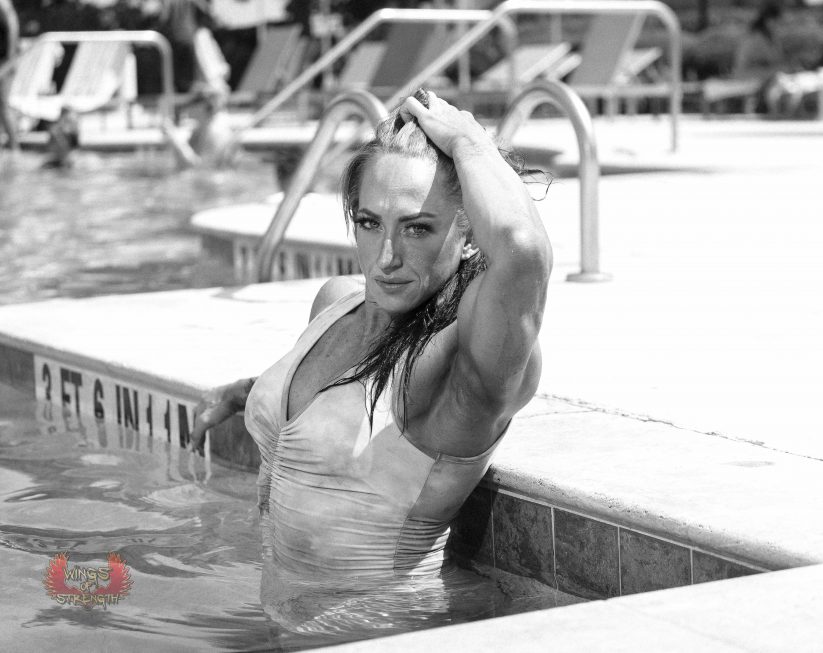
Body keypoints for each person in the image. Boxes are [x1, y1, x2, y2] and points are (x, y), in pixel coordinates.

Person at [189, 90, 552, 633]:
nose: (386, 257)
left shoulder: (463, 365)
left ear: (469, 232)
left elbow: (523, 251)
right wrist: (243, 392)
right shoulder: (336, 303)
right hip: (281, 624)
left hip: (377, 633)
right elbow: (327, 409)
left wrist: (469, 142)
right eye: (369, 222)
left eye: (417, 228)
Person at [0, 0, 19, 151]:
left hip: (5, 64)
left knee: (3, 106)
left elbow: (13, 35)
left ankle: (14, 147)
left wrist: (7, 66)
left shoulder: (5, 7)